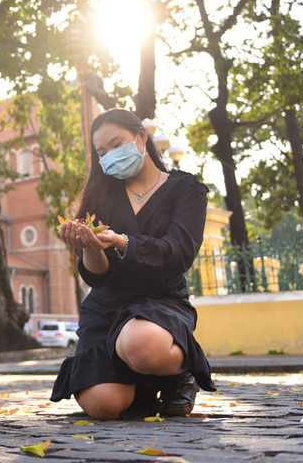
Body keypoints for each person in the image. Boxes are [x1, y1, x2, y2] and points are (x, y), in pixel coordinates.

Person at [50, 108, 215, 419]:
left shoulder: (185, 189)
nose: (110, 155)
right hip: (107, 307)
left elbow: (179, 253)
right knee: (105, 406)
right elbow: (98, 277)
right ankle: (143, 385)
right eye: (102, 152)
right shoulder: (100, 198)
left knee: (140, 344)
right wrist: (90, 246)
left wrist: (123, 241)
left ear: (142, 136)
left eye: (116, 144)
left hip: (160, 302)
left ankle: (179, 374)